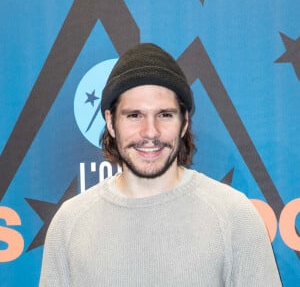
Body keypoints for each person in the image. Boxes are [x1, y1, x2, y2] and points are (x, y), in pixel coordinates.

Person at [39, 43, 282, 286]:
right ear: (111, 123)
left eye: (164, 114)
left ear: (184, 122)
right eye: (134, 115)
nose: (150, 132)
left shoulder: (234, 215)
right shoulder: (69, 224)